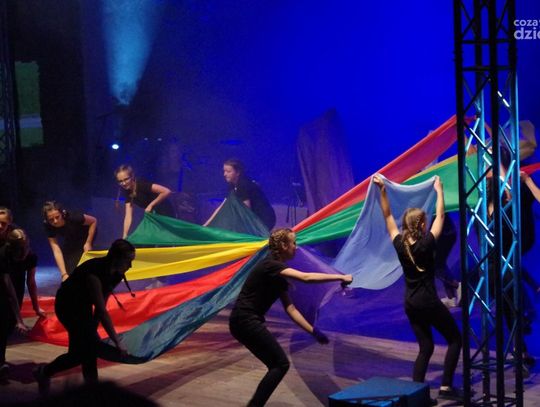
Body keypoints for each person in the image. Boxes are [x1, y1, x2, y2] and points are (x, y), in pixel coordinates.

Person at [229, 228, 352, 406]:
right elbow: (306, 277)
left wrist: (313, 331)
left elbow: (291, 308)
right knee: (280, 364)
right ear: (283, 245)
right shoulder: (270, 265)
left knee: (277, 364)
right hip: (245, 320)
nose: (296, 246)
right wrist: (340, 277)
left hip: (243, 321)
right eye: (293, 243)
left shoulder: (277, 274)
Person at [373, 175, 462, 402]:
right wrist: (439, 190)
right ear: (421, 225)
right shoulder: (427, 243)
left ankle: (417, 397)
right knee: (455, 339)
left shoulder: (400, 244)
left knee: (425, 347)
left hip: (411, 303)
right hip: (428, 302)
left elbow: (387, 216)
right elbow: (441, 216)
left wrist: (382, 190)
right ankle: (446, 386)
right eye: (425, 222)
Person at [33, 239, 136, 395]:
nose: (130, 265)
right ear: (117, 258)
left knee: (85, 350)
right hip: (67, 305)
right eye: (128, 260)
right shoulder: (94, 272)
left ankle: (48, 373)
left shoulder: (116, 273)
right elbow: (101, 310)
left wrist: (93, 326)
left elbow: (102, 302)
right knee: (86, 351)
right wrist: (117, 341)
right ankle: (47, 372)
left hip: (83, 306)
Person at [0, 230, 35, 379]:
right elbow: (9, 291)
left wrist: (36, 306)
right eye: (20, 248)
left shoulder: (30, 256)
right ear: (11, 247)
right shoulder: (2, 255)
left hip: (17, 290)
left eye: (25, 247)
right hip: (3, 290)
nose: (24, 251)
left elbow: (31, 282)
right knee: (2, 325)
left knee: (8, 326)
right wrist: (20, 320)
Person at [204, 158, 276, 231]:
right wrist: (207, 225)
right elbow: (222, 206)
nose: (224, 174)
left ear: (238, 172)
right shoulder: (232, 185)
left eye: (228, 171)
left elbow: (245, 211)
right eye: (224, 171)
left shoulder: (244, 185)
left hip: (263, 219)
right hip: (252, 219)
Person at [114, 164, 174, 238]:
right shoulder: (127, 192)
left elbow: (166, 191)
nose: (123, 183)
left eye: (126, 179)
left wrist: (151, 205)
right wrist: (125, 235)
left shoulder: (141, 184)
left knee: (167, 237)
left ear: (132, 176)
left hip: (165, 212)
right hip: (154, 215)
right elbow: (128, 216)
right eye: (120, 181)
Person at [43, 201, 97, 281]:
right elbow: (56, 249)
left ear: (62, 214)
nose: (55, 221)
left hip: (86, 234)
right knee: (69, 266)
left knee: (83, 264)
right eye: (51, 219)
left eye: (57, 217)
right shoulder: (47, 225)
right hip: (71, 237)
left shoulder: (72, 217)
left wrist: (88, 243)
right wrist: (64, 274)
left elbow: (93, 221)